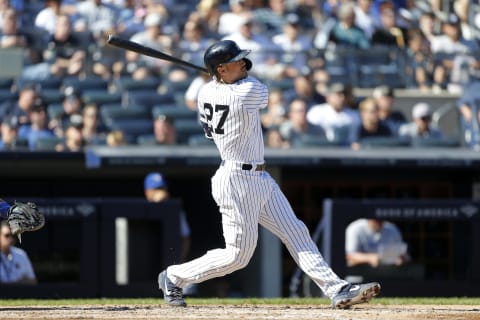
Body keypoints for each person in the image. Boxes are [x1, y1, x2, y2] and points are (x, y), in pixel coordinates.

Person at [157, 39, 380, 309]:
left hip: (258, 177)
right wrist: (226, 76)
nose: (243, 63)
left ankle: (337, 289)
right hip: (236, 179)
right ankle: (174, 276)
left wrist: (222, 75)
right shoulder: (245, 92)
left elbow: (228, 81)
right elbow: (261, 91)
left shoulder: (207, 91)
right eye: (235, 61)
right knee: (237, 257)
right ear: (221, 70)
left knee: (296, 232)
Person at [345, 218, 409, 268]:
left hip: (386, 275)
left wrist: (400, 258)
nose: (379, 221)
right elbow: (349, 255)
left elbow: (403, 255)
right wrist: (370, 258)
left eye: (381, 219)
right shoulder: (356, 228)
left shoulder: (392, 229)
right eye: (376, 219)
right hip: (358, 277)